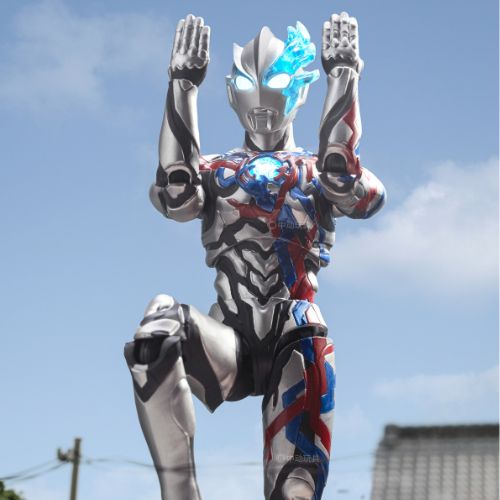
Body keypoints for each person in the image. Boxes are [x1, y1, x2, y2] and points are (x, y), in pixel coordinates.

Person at [125, 12, 385, 500]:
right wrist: (181, 85)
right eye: (248, 84)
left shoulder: (314, 172)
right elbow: (176, 192)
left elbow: (349, 184)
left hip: (297, 338)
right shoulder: (215, 171)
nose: (262, 99)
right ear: (231, 92)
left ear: (301, 91)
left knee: (294, 491)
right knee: (156, 333)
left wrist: (344, 78)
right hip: (230, 338)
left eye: (279, 83)